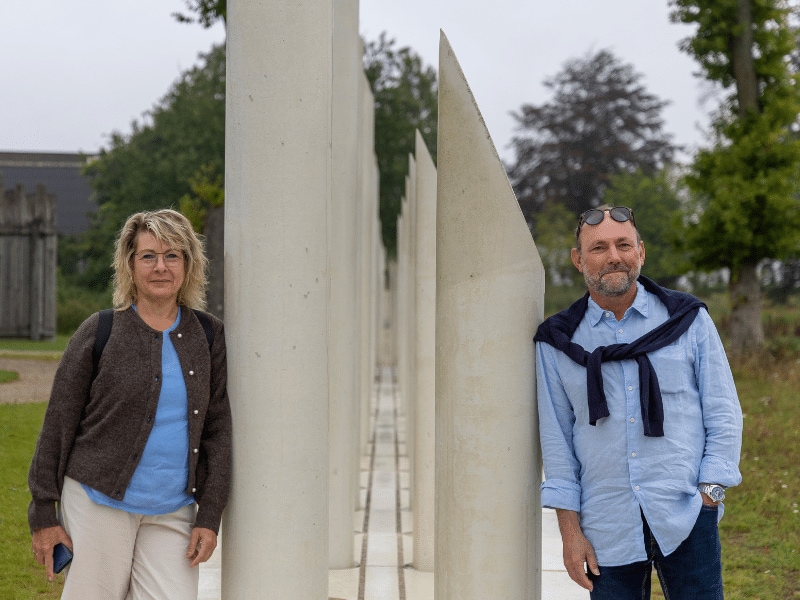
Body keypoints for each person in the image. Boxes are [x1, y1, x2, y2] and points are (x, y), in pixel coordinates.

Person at [534, 205, 742, 600]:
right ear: (579, 260)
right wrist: (570, 532)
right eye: (598, 248)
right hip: (605, 522)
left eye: (623, 244)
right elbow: (557, 443)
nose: (613, 256)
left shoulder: (688, 319)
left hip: (686, 511)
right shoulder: (558, 343)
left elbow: (724, 412)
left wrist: (709, 495)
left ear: (640, 252)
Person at [28, 209, 232, 600]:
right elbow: (58, 423)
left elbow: (218, 430)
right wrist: (43, 511)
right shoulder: (100, 330)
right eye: (148, 256)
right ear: (129, 264)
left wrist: (209, 516)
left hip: (174, 508)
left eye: (172, 256)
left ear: (188, 264)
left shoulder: (207, 335)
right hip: (97, 500)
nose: (161, 267)